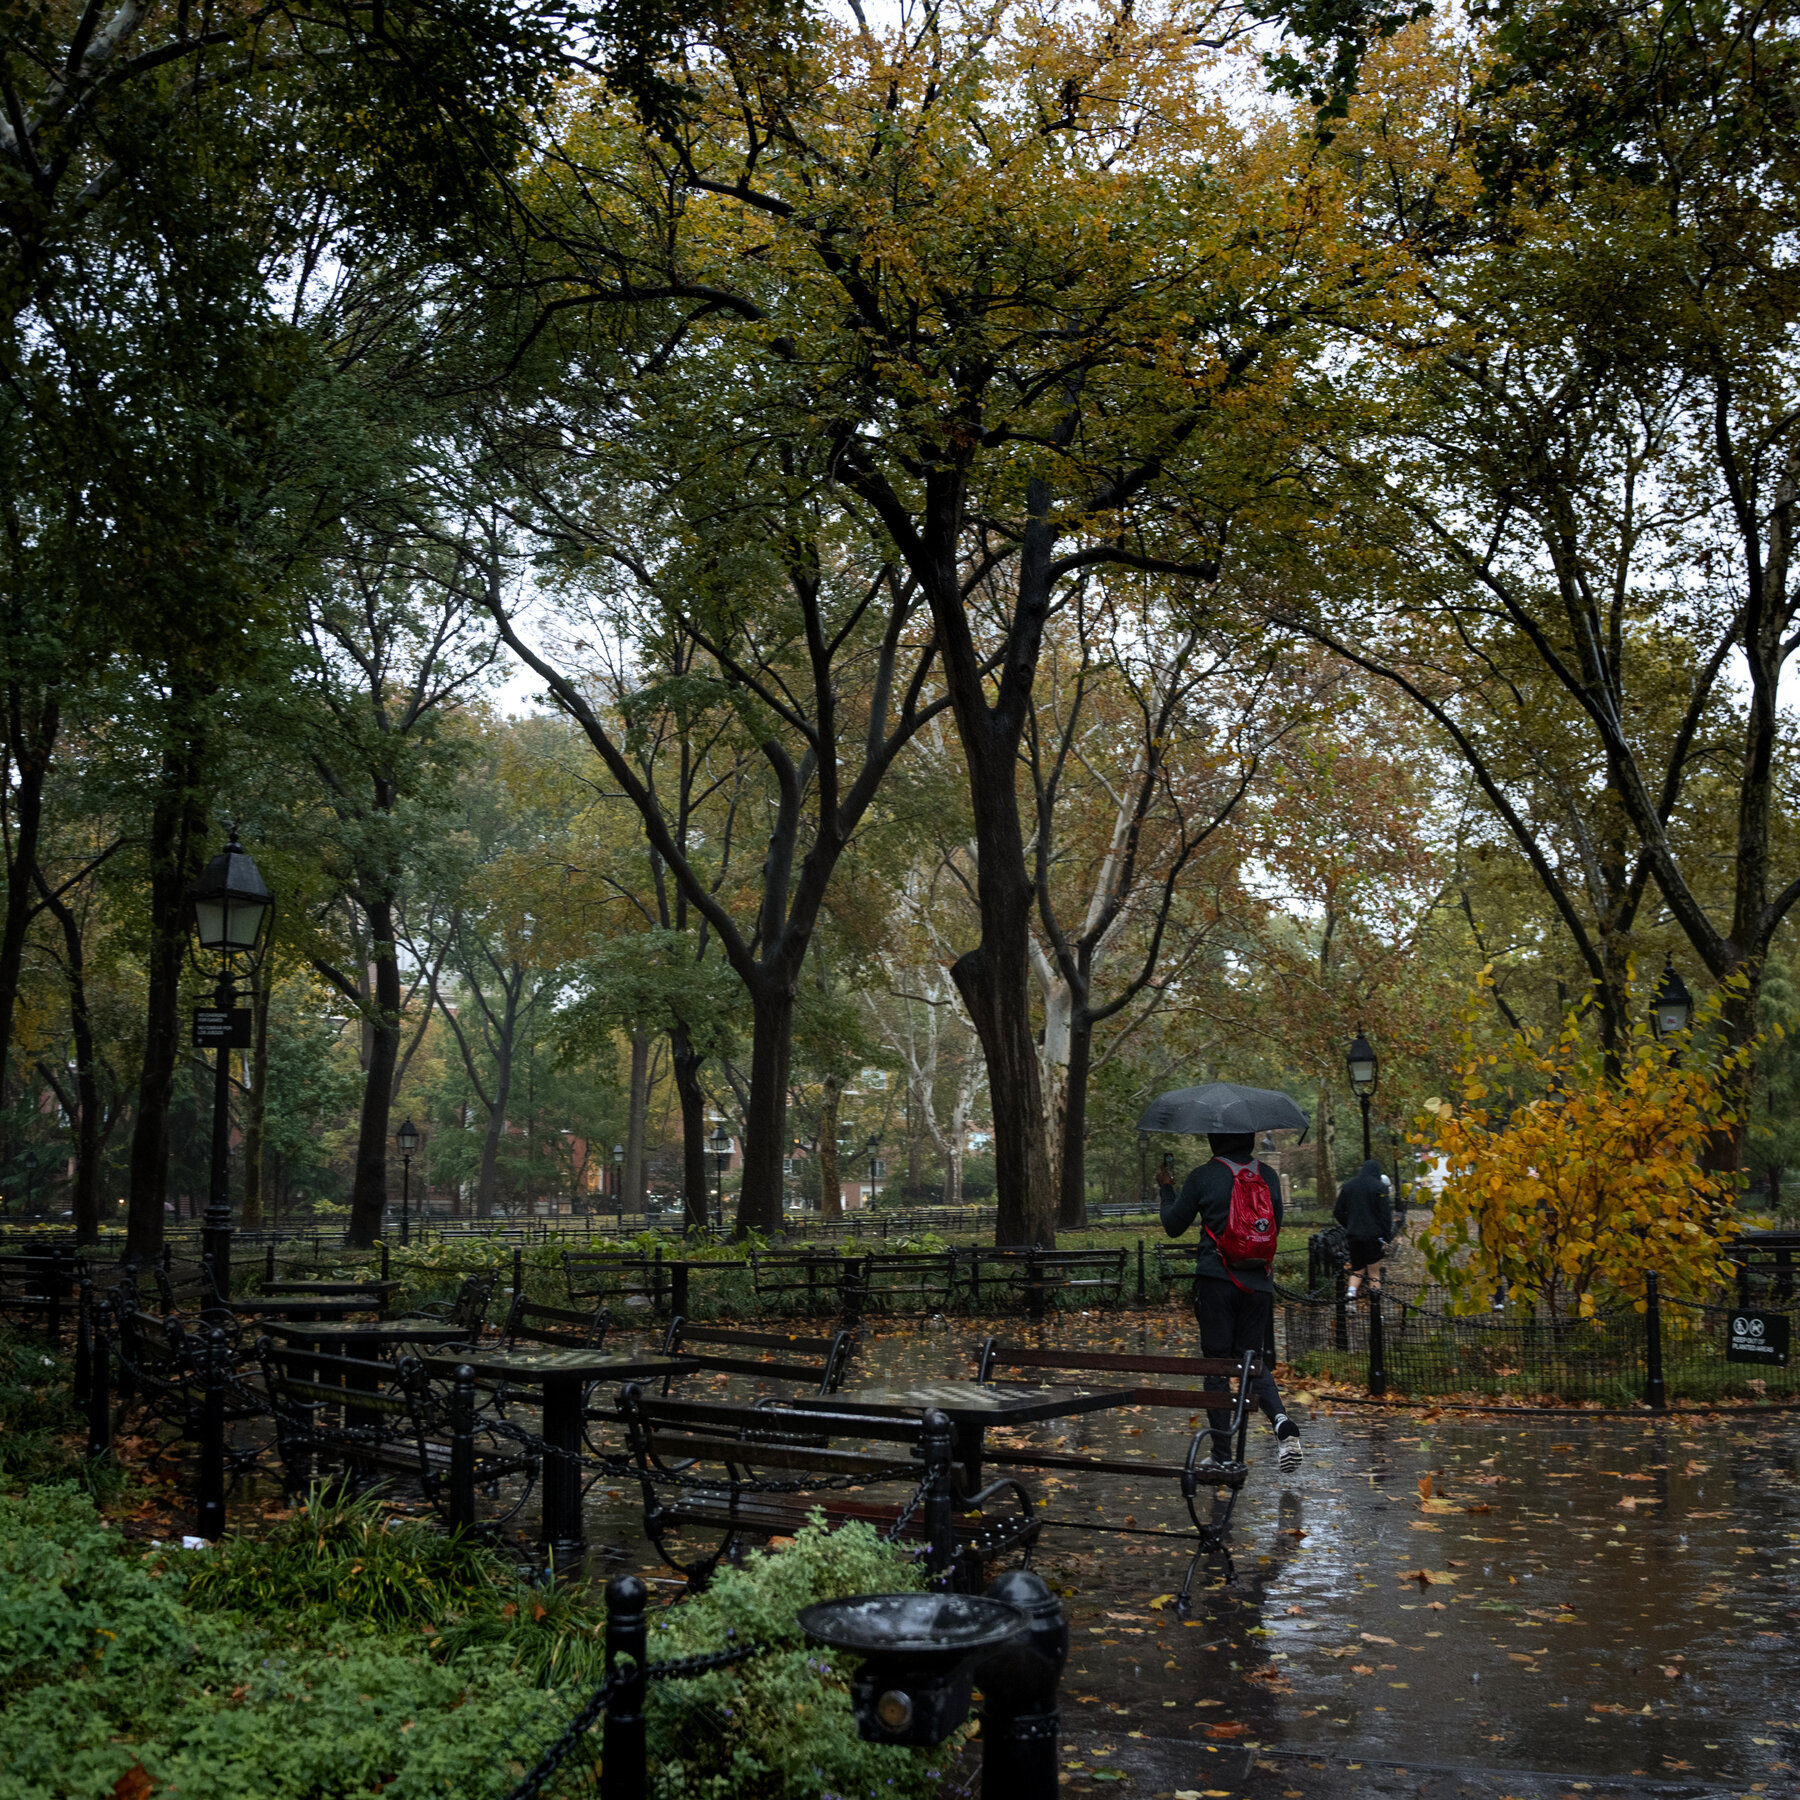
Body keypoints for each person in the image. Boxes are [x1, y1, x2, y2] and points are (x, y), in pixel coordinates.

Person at [1159, 1131, 1302, 1475]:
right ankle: (1282, 1422)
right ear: (1250, 1137)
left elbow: (1172, 1226)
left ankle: (1222, 1453)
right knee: (1252, 1360)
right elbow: (1274, 1225)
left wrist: (1166, 1187)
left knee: (1218, 1364)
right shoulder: (1266, 1175)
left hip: (1217, 1282)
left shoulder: (1203, 1175)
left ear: (1212, 1138)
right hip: (1259, 1285)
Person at [1333, 1158, 1394, 1299]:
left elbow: (1338, 1211)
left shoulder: (1348, 1186)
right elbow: (1385, 1215)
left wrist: (1349, 1224)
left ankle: (1350, 1296)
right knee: (1374, 1272)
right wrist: (1386, 1237)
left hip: (1354, 1235)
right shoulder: (1379, 1187)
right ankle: (1375, 1308)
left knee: (1357, 1269)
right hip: (1374, 1235)